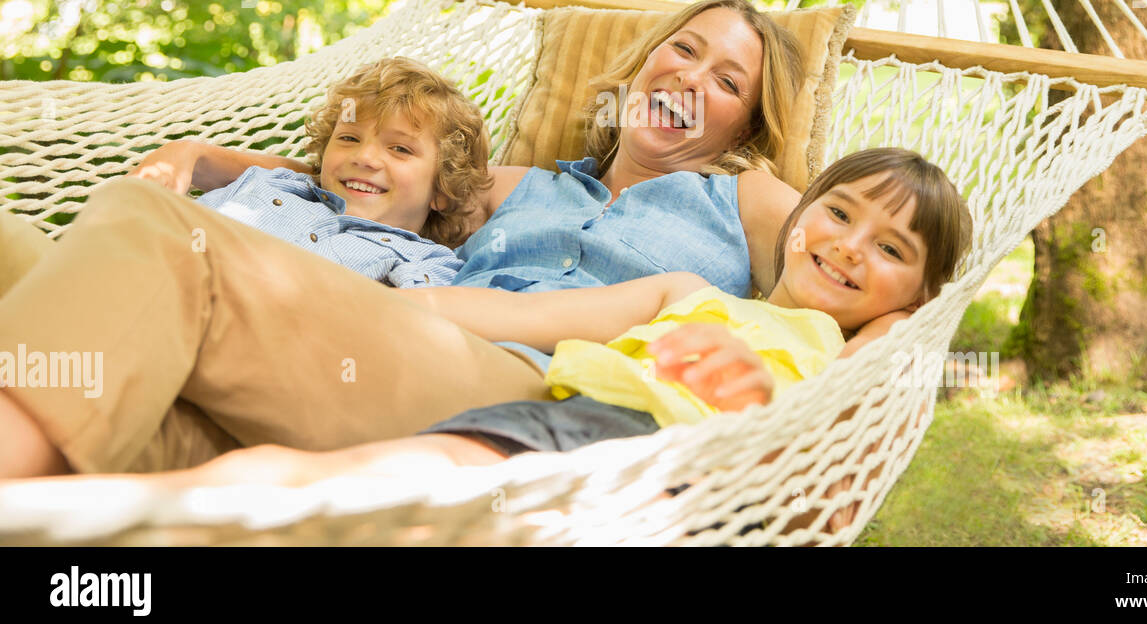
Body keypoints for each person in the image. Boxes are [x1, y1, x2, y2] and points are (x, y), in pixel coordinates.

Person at [0, 0, 810, 478]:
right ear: (646, 61)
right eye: (684, 49)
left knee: (162, 240)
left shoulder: (750, 201)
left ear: (749, 117)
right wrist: (201, 159)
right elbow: (367, 174)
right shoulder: (526, 182)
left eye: (728, 80)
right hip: (383, 351)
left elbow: (867, 262)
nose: (691, 77)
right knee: (18, 249)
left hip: (525, 400)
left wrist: (884, 375)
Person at [79, 147, 973, 490]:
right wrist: (388, 302)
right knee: (315, 479)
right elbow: (545, 312)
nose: (854, 248)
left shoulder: (859, 342)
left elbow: (897, 353)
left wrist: (915, 318)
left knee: (363, 487)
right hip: (557, 411)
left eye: (894, 250)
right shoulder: (684, 293)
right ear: (808, 213)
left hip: (665, 463)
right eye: (843, 215)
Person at [192, 56, 489, 288]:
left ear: (441, 190)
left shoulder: (426, 260)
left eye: (400, 149)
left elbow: (413, 325)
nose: (364, 157)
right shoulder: (273, 183)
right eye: (349, 138)